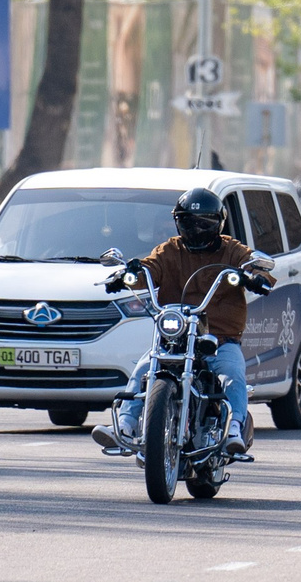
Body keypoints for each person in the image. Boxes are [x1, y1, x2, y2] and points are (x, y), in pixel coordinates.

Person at [116, 187, 271, 457]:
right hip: (174, 338)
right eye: (188, 222)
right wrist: (130, 273)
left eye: (203, 223)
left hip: (220, 339)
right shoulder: (169, 250)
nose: (196, 229)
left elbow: (254, 264)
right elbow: (149, 269)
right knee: (143, 370)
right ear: (178, 222)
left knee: (233, 376)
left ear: (217, 223)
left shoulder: (232, 250)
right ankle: (126, 425)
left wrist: (254, 275)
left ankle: (234, 428)